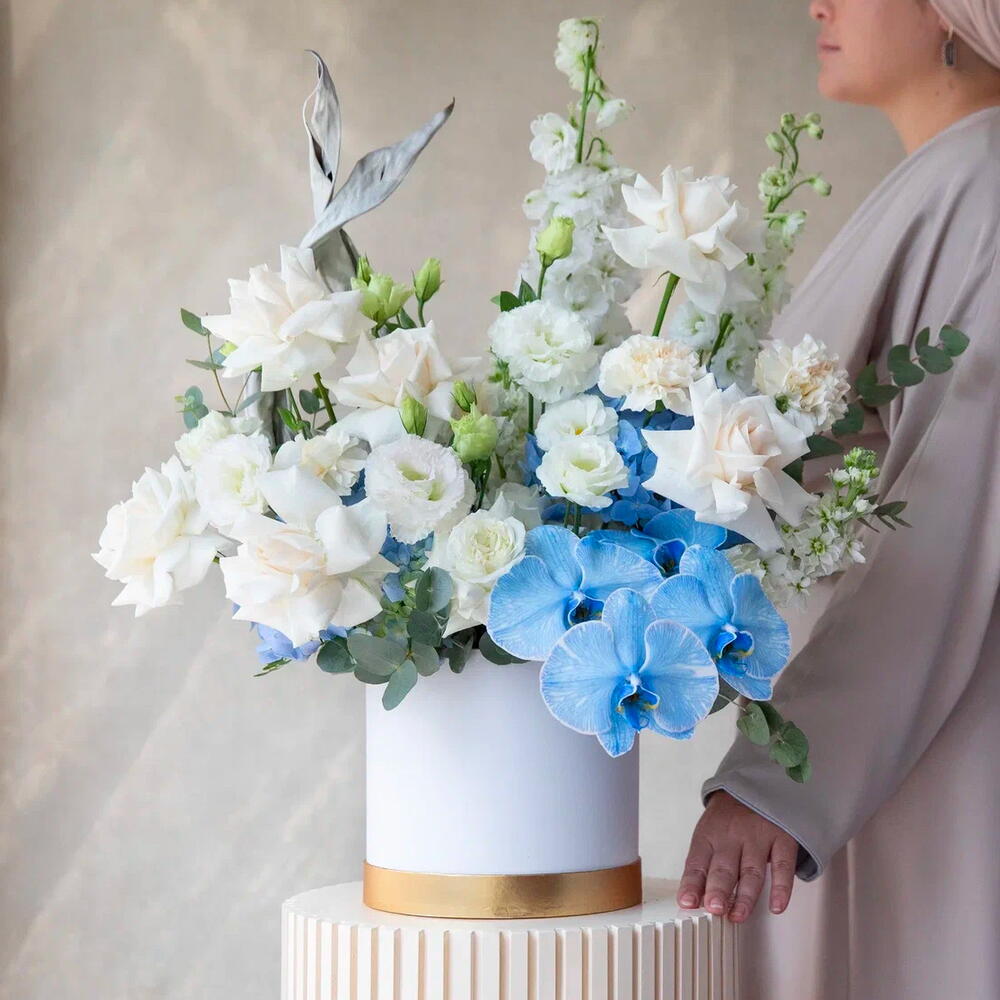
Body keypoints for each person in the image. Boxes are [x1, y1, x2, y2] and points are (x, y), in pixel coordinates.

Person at [677, 1, 1000, 997]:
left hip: (930, 736)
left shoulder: (985, 182)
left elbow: (952, 509)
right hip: (890, 736)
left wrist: (784, 779)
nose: (817, 2)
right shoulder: (951, 177)